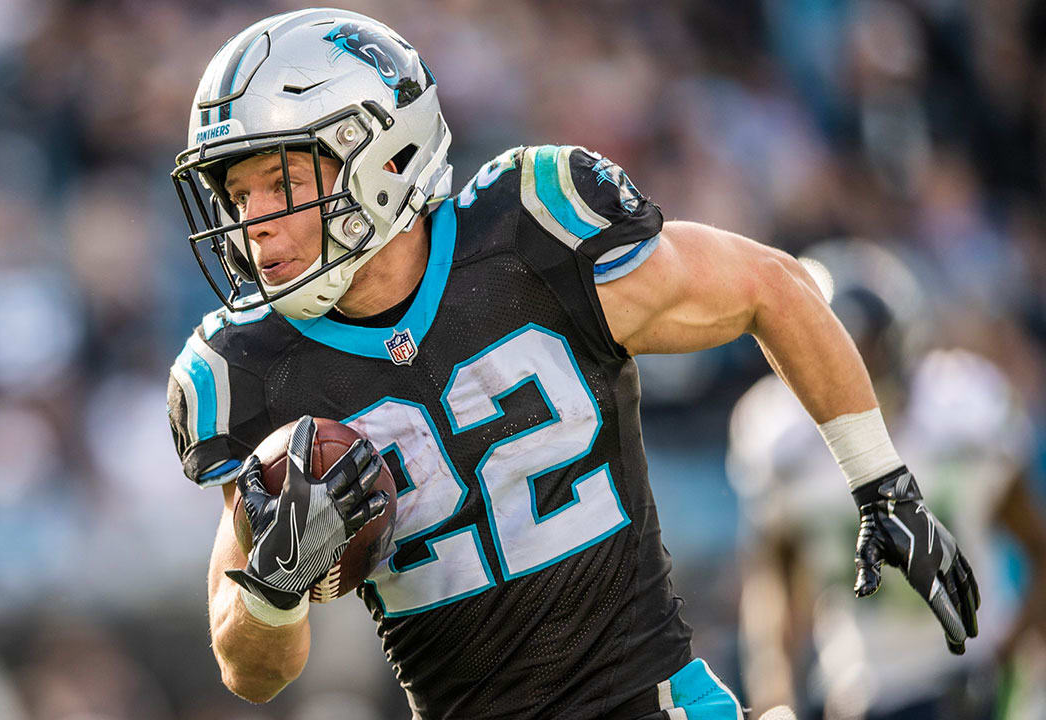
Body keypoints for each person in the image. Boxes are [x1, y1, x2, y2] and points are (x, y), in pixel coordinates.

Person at [165, 9, 980, 719]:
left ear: (375, 152)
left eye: (278, 182)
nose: (254, 223)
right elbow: (250, 672)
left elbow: (774, 286)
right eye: (237, 197)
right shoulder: (251, 369)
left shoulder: (530, 239)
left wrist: (882, 483)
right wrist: (274, 592)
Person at [727, 241, 1046, 720]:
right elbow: (773, 578)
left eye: (868, 354)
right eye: (840, 355)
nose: (856, 374)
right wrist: (775, 692)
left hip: (971, 676)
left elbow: (1039, 549)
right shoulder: (786, 445)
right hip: (864, 687)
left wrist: (1009, 655)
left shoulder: (962, 419)